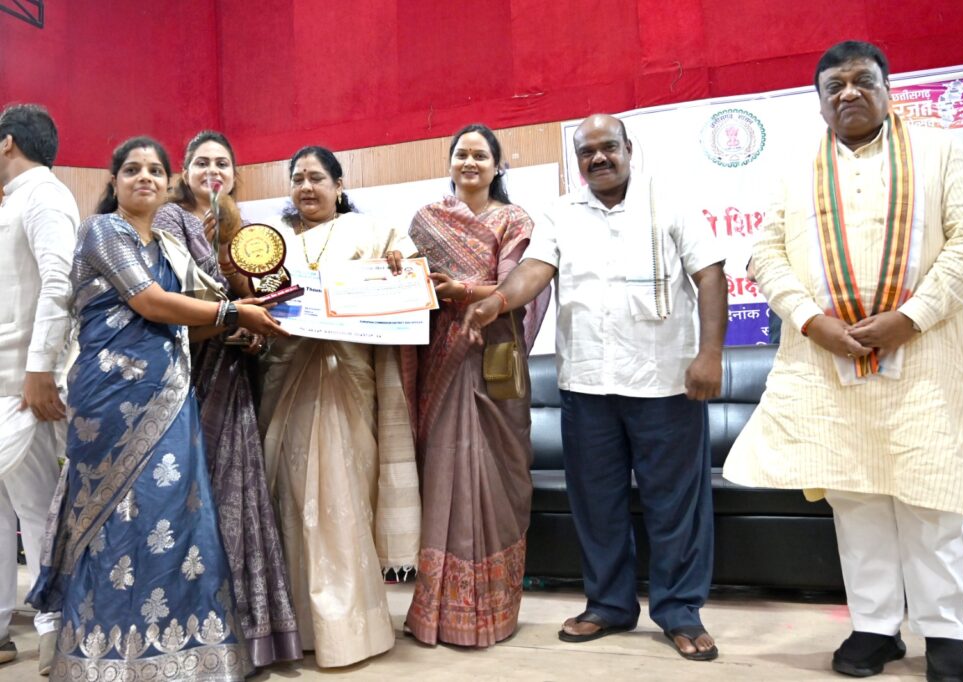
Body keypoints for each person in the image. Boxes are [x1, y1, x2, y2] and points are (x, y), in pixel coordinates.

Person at [723, 41, 963, 682]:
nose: (849, 93)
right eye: (834, 86)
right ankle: (875, 628)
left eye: (863, 80)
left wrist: (910, 318)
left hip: (927, 361)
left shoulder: (938, 152)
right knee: (855, 500)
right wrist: (812, 321)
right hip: (829, 366)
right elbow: (765, 255)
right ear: (819, 102)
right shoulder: (794, 168)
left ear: (888, 90)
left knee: (932, 500)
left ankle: (944, 635)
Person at [462, 114, 727, 661]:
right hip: (585, 384)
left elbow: (710, 275)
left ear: (629, 148)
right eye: (587, 151)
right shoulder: (561, 212)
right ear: (578, 159)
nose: (599, 158)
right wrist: (497, 301)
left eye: (609, 147)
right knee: (596, 504)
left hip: (665, 383)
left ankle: (680, 611)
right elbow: (535, 270)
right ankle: (608, 604)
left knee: (675, 506)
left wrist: (709, 355)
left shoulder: (671, 200)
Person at [26, 136, 286, 681]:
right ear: (114, 181)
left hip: (169, 398)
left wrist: (245, 314)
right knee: (112, 521)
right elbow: (149, 301)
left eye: (153, 170)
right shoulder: (103, 230)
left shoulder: (170, 246)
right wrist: (234, 313)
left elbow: (195, 318)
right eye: (131, 170)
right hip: (109, 401)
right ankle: (100, 658)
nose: (144, 177)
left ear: (168, 184)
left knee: (174, 516)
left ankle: (179, 657)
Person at [258, 145, 421, 667]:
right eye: (298, 178)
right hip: (288, 378)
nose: (306, 187)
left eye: (316, 178)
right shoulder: (271, 241)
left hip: (347, 378)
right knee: (291, 498)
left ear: (339, 186)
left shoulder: (370, 232)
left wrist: (399, 266)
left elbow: (412, 274)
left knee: (345, 497)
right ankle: (295, 626)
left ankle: (351, 631)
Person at [152, 131, 302, 667]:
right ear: (184, 172)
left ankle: (243, 638)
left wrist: (254, 330)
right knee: (191, 497)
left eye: (222, 163)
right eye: (201, 162)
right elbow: (175, 297)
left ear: (235, 175)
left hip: (233, 374)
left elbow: (254, 297)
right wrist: (234, 316)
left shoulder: (243, 230)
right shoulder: (170, 220)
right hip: (186, 374)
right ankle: (187, 635)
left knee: (237, 495)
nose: (212, 171)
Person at [402, 124, 549, 647]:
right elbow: (409, 286)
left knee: (496, 476)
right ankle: (436, 611)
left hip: (492, 357)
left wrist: (461, 289)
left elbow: (516, 287)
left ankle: (493, 610)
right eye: (461, 154)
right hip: (440, 357)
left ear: (497, 165)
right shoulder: (426, 220)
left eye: (480, 155)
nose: (469, 162)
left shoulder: (514, 220)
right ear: (450, 162)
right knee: (443, 471)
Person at [0, 104, 77, 674]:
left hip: (24, 385)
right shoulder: (17, 199)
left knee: (36, 508)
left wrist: (41, 368)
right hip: (7, 381)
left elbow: (59, 282)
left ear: (6, 143)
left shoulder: (45, 195)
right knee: (9, 509)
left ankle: (56, 628)